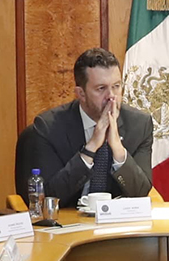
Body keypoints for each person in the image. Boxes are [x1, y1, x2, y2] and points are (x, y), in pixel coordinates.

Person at [13, 47, 153, 206]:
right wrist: (90, 148)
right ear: (81, 94)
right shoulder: (49, 128)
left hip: (117, 219)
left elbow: (140, 192)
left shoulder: (139, 125)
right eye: (101, 89)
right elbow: (48, 199)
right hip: (68, 219)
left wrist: (118, 150)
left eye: (116, 86)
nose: (111, 96)